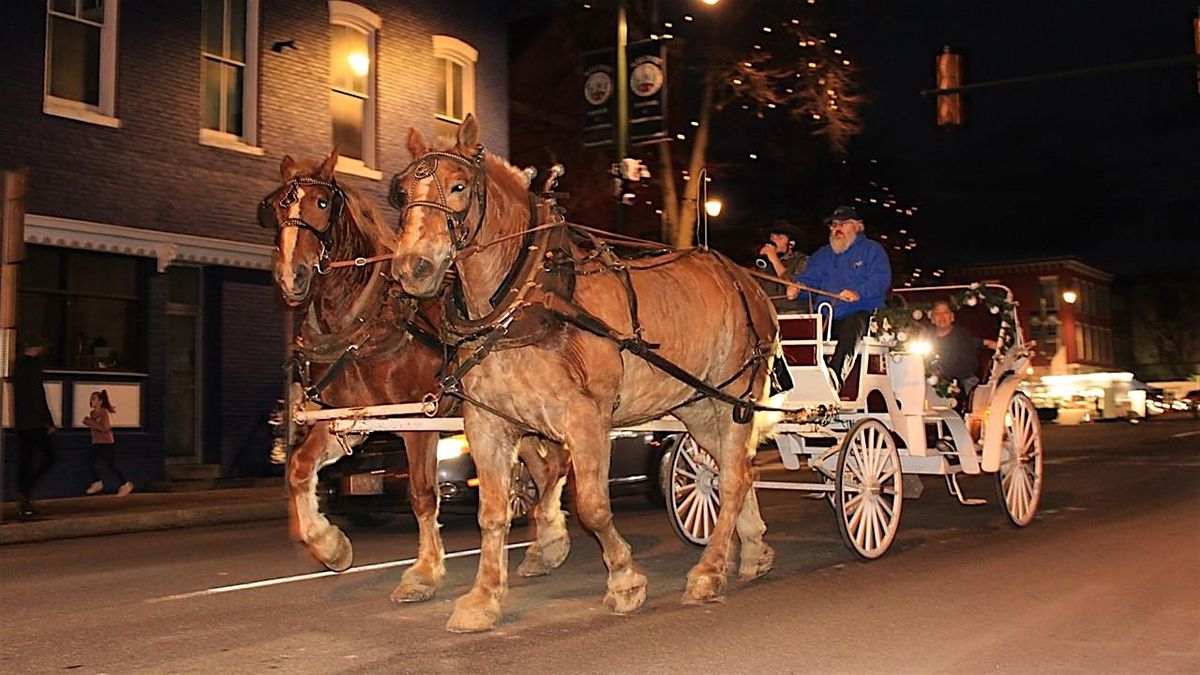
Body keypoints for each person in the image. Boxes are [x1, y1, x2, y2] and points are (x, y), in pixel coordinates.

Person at [790, 205, 891, 388]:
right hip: (826, 315)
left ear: (858, 226)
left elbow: (881, 279)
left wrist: (858, 293)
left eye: (843, 224)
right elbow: (810, 279)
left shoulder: (872, 250)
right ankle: (793, 382)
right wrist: (799, 287)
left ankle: (833, 381)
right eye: (834, 224)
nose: (837, 228)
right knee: (798, 332)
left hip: (860, 311)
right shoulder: (822, 254)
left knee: (851, 329)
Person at [11, 337, 57, 518]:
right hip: (35, 422)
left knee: (26, 460)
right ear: (36, 347)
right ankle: (24, 490)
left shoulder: (18, 365)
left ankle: (24, 502)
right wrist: (49, 421)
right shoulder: (33, 366)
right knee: (50, 456)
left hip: (22, 422)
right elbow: (38, 395)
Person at [928, 300, 999, 409]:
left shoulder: (962, 335)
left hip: (963, 381)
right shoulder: (927, 338)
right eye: (937, 314)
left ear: (952, 317)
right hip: (934, 382)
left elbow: (979, 345)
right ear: (932, 318)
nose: (942, 317)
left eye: (945, 313)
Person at [82, 389, 133, 496]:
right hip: (96, 442)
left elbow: (104, 428)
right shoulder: (92, 413)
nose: (91, 401)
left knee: (111, 465)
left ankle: (126, 485)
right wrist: (90, 422)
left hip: (106, 443)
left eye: (94, 399)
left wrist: (89, 422)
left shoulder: (103, 412)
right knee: (88, 461)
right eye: (91, 399)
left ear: (100, 401)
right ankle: (97, 483)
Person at [756, 220, 808, 312]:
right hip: (769, 312)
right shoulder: (765, 264)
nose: (774, 241)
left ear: (791, 244)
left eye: (780, 238)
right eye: (772, 237)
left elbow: (793, 286)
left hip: (794, 313)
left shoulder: (802, 260)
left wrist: (774, 260)